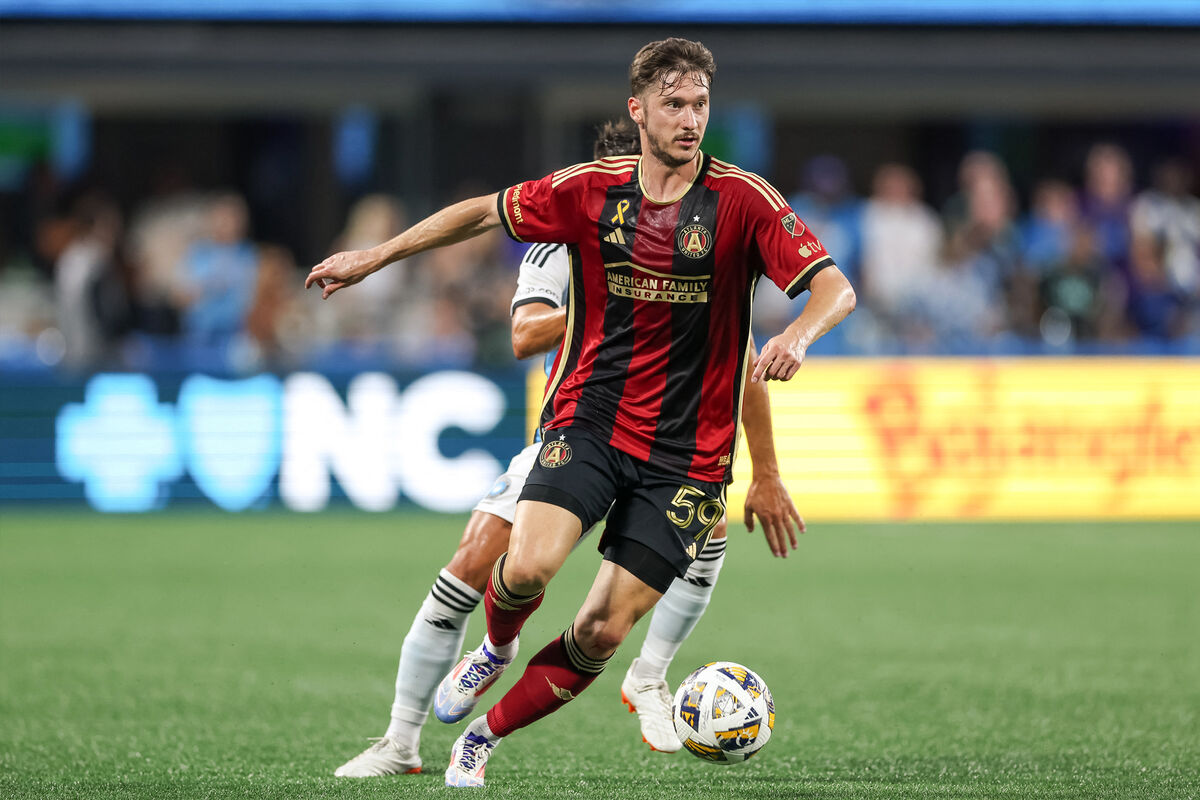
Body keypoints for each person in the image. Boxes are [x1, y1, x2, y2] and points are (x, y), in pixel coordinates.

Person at [307, 38, 855, 788]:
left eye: (700, 104)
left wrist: (798, 336)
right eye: (674, 104)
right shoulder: (588, 192)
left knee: (600, 629)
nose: (690, 119)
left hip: (688, 454)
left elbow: (834, 289)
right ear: (638, 111)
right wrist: (373, 256)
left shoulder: (745, 201)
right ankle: (495, 649)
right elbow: (481, 215)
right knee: (523, 566)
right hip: (592, 419)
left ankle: (484, 738)